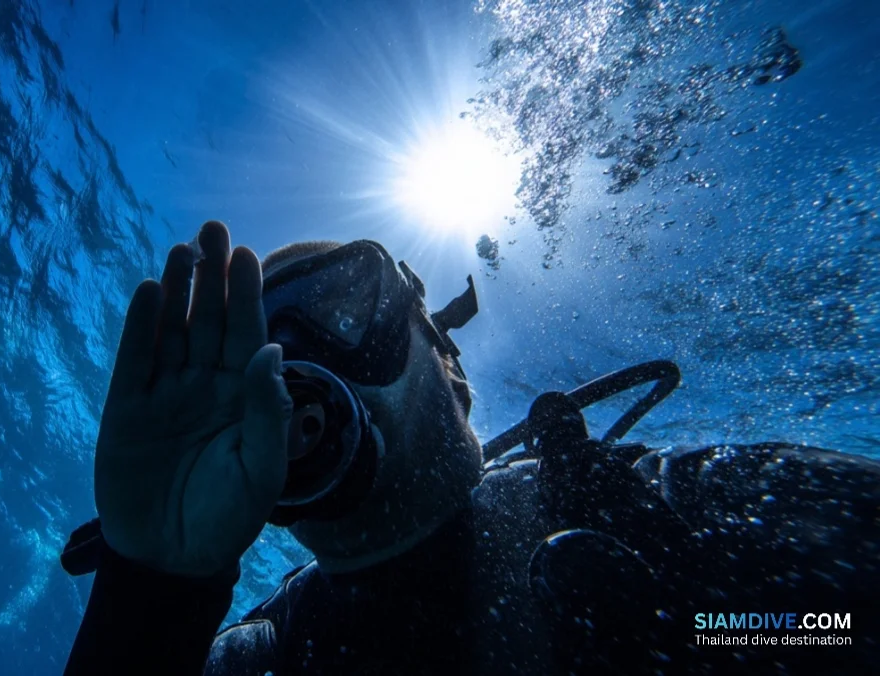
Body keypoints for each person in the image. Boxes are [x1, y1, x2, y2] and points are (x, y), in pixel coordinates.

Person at [62, 220, 878, 675]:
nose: (290, 379)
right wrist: (153, 597)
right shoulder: (263, 662)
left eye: (342, 308)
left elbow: (835, 619)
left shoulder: (662, 507)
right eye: (246, 363)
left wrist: (719, 629)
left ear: (452, 370)